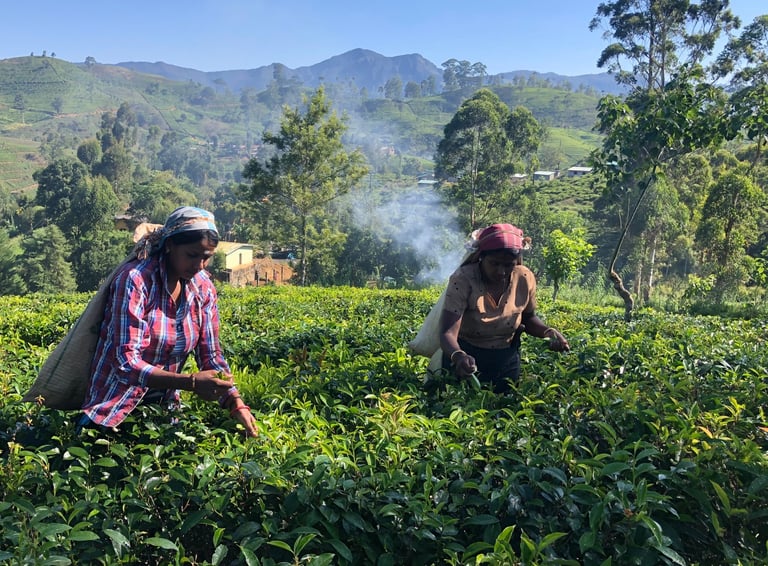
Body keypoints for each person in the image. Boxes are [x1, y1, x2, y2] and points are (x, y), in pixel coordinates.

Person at [78, 206, 258, 437]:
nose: (199, 265)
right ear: (170, 245)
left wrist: (235, 403)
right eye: (192, 255)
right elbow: (125, 362)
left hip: (162, 412)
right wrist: (191, 382)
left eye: (207, 258)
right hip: (113, 409)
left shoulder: (203, 288)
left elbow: (210, 354)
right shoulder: (136, 280)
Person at [439, 223, 570, 394]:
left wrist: (548, 332)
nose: (501, 271)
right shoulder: (464, 279)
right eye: (494, 263)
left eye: (508, 265)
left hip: (506, 359)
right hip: (465, 358)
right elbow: (447, 332)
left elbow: (528, 318)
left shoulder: (523, 277)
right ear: (481, 257)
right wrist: (459, 356)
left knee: (502, 411)